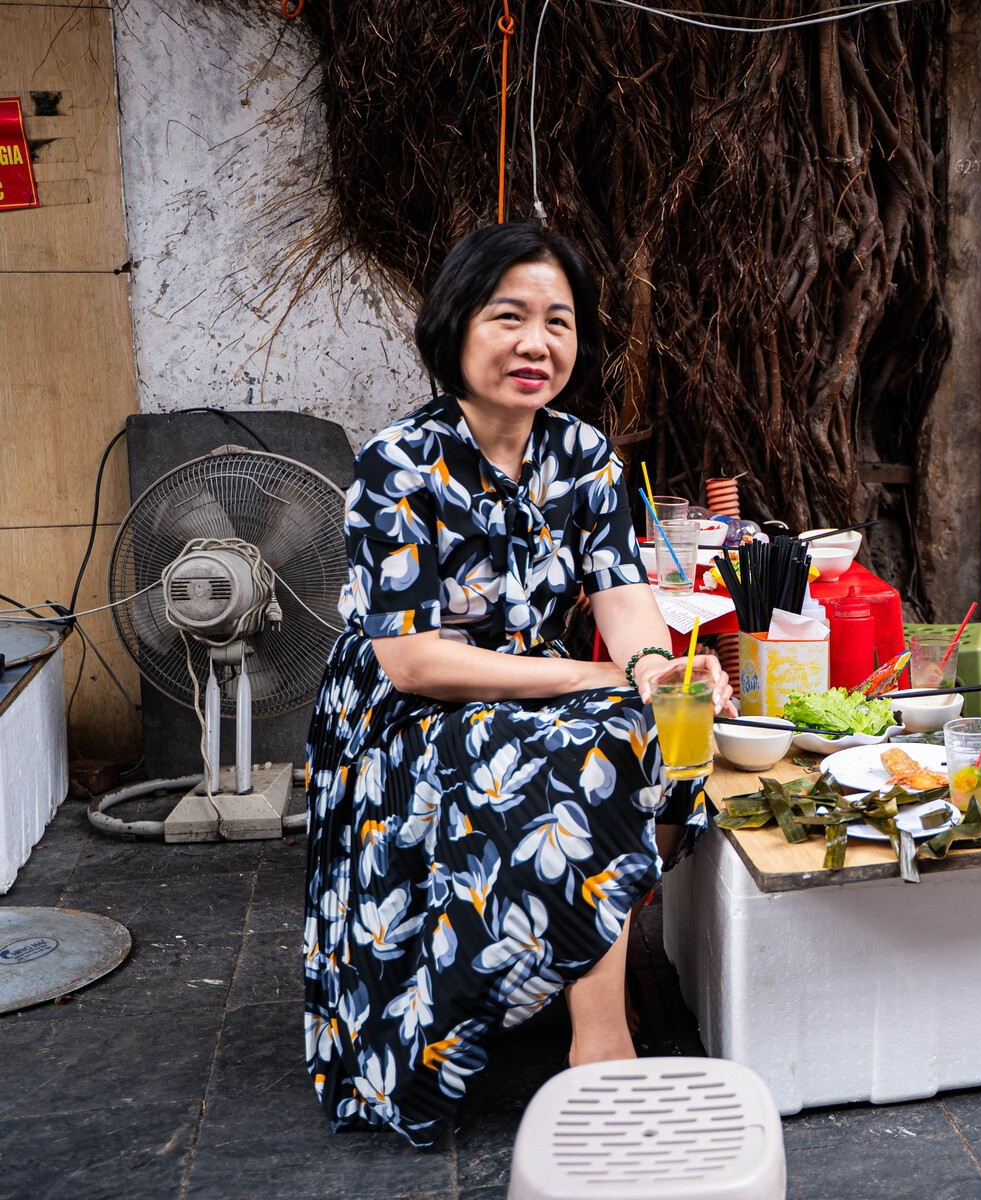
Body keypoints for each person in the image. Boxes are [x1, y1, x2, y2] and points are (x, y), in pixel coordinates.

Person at [302, 220, 732, 1148]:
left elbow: (624, 599)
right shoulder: (398, 465)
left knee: (659, 730)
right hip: (405, 715)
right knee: (595, 742)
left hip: (537, 698)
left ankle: (564, 964)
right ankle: (600, 1038)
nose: (536, 343)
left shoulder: (584, 457)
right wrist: (598, 679)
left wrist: (657, 668)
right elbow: (413, 660)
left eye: (559, 322)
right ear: (456, 325)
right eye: (510, 316)